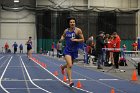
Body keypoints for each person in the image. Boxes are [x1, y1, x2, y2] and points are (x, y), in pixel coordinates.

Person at [59, 17, 84, 87]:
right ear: (69, 23)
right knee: (70, 65)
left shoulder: (78, 30)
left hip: (74, 50)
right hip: (67, 50)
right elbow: (63, 36)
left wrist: (76, 40)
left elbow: (82, 39)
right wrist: (61, 39)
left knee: (69, 64)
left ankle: (62, 67)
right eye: (71, 22)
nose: (72, 23)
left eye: (73, 22)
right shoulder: (66, 31)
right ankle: (70, 81)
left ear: (75, 23)